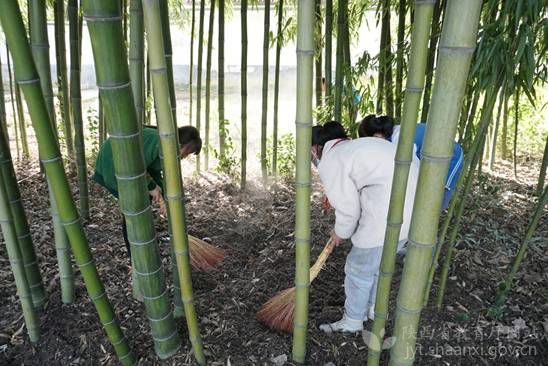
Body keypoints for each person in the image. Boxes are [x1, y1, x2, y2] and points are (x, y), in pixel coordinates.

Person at [312, 121, 419, 333]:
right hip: (413, 212)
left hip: (388, 212)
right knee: (378, 264)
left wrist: (340, 232)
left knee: (358, 267)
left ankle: (352, 321)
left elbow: (349, 209)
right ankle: (373, 309)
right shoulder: (355, 147)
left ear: (314, 149)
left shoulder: (331, 159)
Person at [93, 125, 202, 258]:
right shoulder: (156, 140)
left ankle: (141, 244)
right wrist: (151, 186)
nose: (186, 156)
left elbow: (153, 169)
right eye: (189, 152)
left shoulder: (166, 146)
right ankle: (135, 253)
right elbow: (134, 165)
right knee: (135, 207)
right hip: (112, 167)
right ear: (182, 144)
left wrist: (165, 195)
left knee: (143, 202)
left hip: (127, 170)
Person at [359, 115, 464, 210]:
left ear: (377, 136)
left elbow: (411, 171)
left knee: (436, 202)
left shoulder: (399, 139)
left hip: (451, 157)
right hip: (428, 159)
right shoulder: (392, 137)